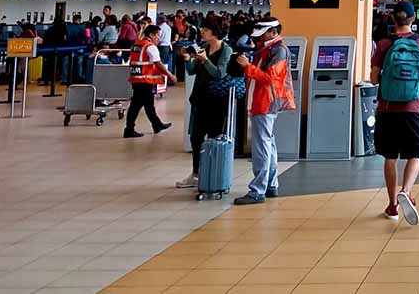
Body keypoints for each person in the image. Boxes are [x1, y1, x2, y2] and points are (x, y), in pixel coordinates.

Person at [370, 1, 419, 225]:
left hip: (387, 108)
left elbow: (373, 79)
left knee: (390, 156)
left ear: (392, 19)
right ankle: (406, 191)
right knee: (415, 153)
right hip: (412, 108)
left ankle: (392, 205)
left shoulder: (384, 44)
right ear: (413, 18)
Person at [232, 18, 294, 205]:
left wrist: (247, 66)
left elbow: (269, 79)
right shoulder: (267, 48)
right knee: (268, 144)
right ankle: (270, 185)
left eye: (263, 32)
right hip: (262, 102)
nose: (260, 36)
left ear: (273, 32)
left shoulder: (279, 50)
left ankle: (258, 190)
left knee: (261, 146)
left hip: (266, 103)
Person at [175, 14, 233, 190]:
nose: (202, 31)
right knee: (196, 138)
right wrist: (188, 59)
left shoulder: (226, 50)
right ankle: (196, 173)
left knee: (214, 137)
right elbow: (192, 71)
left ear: (215, 32)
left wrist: (205, 60)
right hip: (200, 99)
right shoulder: (203, 47)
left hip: (217, 102)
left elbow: (219, 73)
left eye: (206, 29)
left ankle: (212, 174)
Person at [124, 25, 175, 138]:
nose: (158, 38)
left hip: (136, 79)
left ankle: (156, 125)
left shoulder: (137, 45)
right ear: (151, 35)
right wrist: (170, 75)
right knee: (137, 106)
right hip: (144, 80)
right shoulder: (150, 46)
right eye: (157, 35)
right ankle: (129, 129)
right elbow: (158, 63)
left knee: (146, 105)